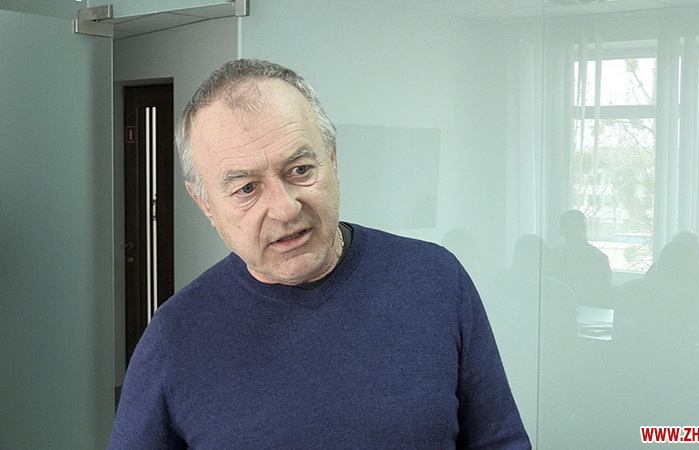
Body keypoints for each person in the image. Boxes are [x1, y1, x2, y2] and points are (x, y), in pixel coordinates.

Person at [108, 59, 531, 449]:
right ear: (205, 204)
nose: (285, 208)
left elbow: (500, 440)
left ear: (332, 159)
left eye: (299, 170)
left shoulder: (435, 279)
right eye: (246, 188)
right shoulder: (175, 338)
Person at [543, 209, 613, 308]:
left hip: (589, 310)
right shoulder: (553, 256)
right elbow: (547, 289)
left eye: (583, 228)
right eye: (573, 229)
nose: (580, 233)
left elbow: (604, 296)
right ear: (562, 232)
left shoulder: (598, 259)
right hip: (558, 309)